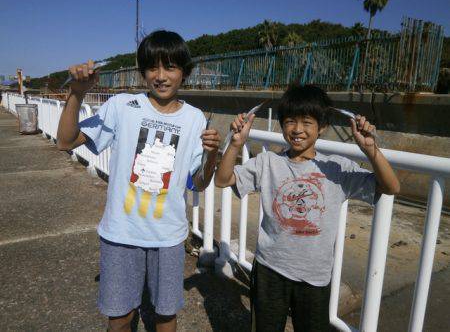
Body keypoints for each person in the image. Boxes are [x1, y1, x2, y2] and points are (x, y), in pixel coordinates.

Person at [56, 30, 220, 332]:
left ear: (184, 72)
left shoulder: (195, 118)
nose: (160, 76)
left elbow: (198, 183)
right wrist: (77, 93)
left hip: (168, 237)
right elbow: (66, 141)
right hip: (120, 233)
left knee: (166, 317)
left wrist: (212, 156)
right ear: (143, 71)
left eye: (170, 67)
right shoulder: (121, 106)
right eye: (152, 67)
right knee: (119, 319)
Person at [214, 84, 400, 332]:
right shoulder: (268, 162)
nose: (297, 129)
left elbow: (391, 187)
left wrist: (370, 149)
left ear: (322, 127)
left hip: (316, 278)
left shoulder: (336, 169)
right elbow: (223, 179)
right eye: (290, 121)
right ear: (281, 125)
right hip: (270, 270)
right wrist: (236, 143)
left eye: (307, 122)